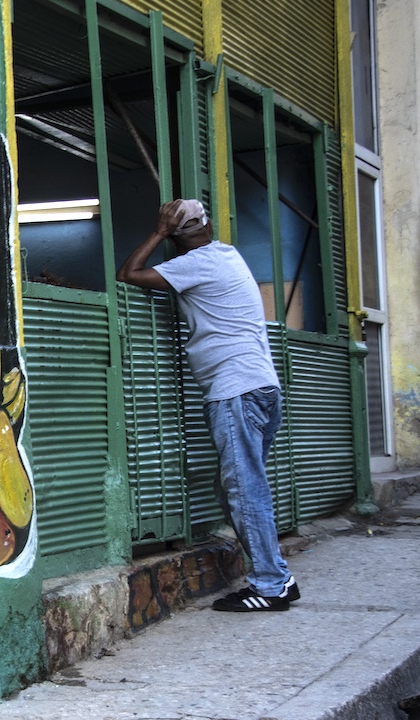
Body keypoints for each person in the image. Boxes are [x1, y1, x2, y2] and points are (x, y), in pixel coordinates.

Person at [117, 199, 300, 612]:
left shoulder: (195, 263)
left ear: (177, 236)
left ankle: (271, 586)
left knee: (244, 490)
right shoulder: (227, 255)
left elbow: (128, 273)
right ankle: (278, 577)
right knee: (238, 487)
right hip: (262, 388)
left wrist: (158, 232)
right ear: (209, 224)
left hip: (236, 391)